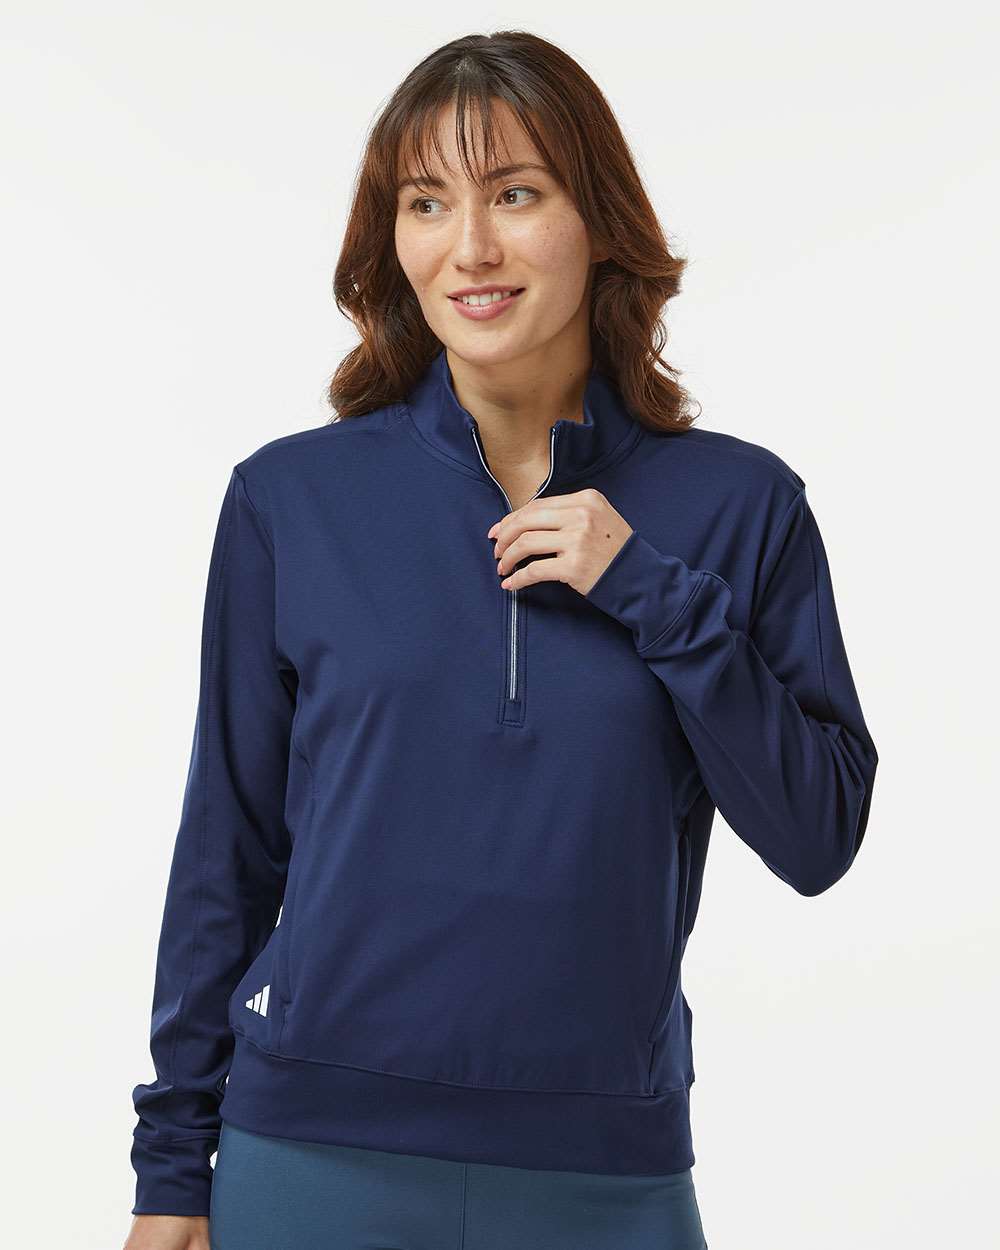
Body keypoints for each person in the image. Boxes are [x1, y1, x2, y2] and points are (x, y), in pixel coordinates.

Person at [124, 29, 878, 1250]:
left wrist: (648, 590)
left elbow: (818, 834)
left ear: (599, 221)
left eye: (515, 194)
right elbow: (228, 845)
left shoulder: (739, 506)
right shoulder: (291, 500)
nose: (469, 247)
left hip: (606, 1176)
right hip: (312, 1155)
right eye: (427, 203)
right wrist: (170, 1169)